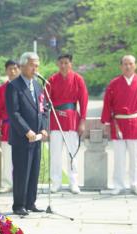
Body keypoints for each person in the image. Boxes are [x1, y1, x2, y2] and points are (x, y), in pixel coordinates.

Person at [101, 55, 137, 196]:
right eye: (125, 64)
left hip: (136, 123)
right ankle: (118, 185)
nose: (128, 66)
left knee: (135, 156)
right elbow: (107, 104)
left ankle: (136, 184)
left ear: (136, 65)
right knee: (119, 156)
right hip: (118, 124)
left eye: (130, 63)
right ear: (120, 66)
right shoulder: (114, 84)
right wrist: (106, 122)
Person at [5, 52, 48, 216]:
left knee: (34, 170)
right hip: (22, 138)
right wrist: (27, 130)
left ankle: (31, 202)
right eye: (32, 65)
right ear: (22, 66)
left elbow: (43, 109)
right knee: (22, 171)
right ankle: (19, 205)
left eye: (37, 65)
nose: (35, 68)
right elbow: (14, 113)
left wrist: (43, 127)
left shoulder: (37, 86)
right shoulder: (14, 86)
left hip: (36, 137)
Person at [47, 54, 89, 194]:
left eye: (66, 63)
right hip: (56, 120)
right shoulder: (52, 80)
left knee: (72, 153)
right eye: (61, 63)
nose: (63, 65)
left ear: (70, 64)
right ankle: (55, 182)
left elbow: (83, 101)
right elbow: (45, 100)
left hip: (72, 119)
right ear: (58, 64)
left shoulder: (78, 79)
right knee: (55, 154)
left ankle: (73, 182)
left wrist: (82, 121)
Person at [0, 59, 20, 193]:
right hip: (7, 127)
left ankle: (21, 184)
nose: (12, 71)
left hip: (23, 129)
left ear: (19, 69)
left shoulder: (24, 87)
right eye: (10, 69)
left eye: (15, 68)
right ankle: (7, 183)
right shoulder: (1, 90)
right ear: (6, 71)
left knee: (21, 158)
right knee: (7, 157)